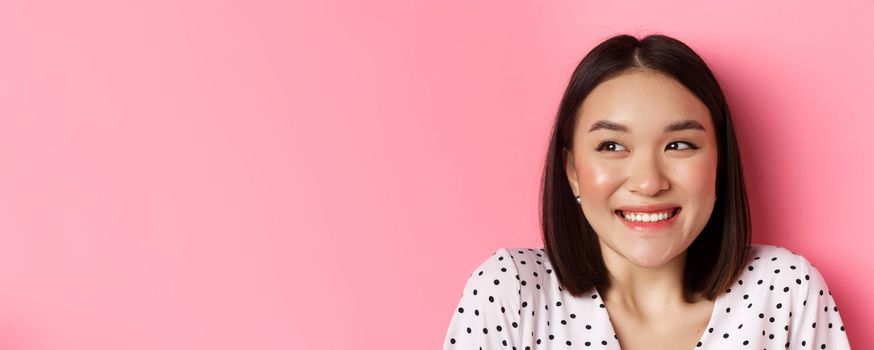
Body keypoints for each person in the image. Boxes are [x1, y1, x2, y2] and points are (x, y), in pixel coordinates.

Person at [442, 34, 851, 349]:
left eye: (679, 145)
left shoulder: (783, 290)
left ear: (719, 164)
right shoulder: (512, 292)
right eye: (612, 147)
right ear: (572, 171)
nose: (649, 182)